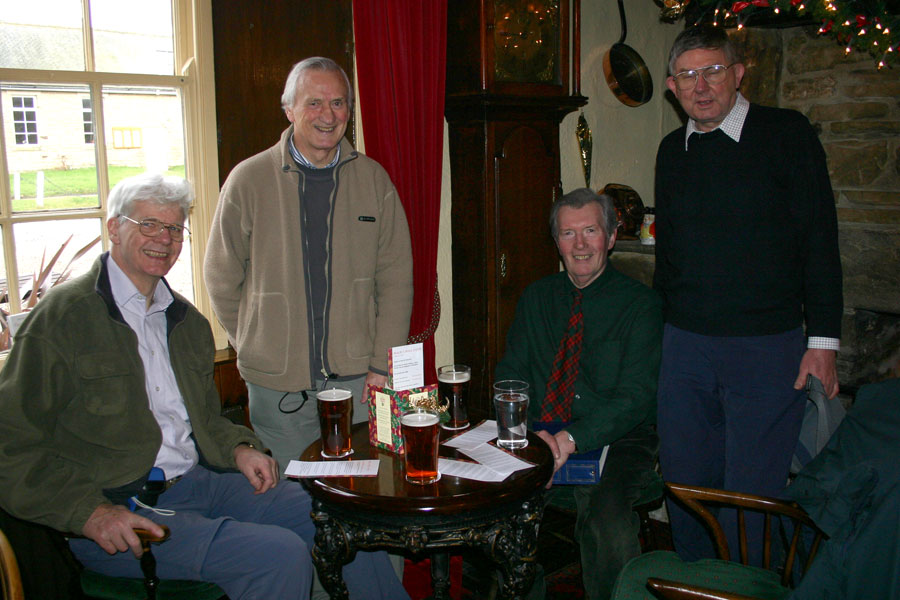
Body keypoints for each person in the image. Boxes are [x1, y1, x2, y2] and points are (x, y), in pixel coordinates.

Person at [0, 173, 409, 600]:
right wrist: (89, 512)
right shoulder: (62, 320)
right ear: (114, 228)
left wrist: (238, 447)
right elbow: (10, 446)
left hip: (198, 481)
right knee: (278, 555)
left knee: (341, 519)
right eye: (149, 224)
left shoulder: (185, 321)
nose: (164, 238)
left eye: (175, 228)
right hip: (120, 510)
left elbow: (204, 421)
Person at [654, 25, 843, 562]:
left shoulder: (787, 134)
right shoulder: (672, 151)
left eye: (713, 70)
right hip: (686, 348)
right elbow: (668, 261)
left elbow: (820, 241)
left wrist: (823, 343)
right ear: (672, 86)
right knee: (686, 481)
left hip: (767, 347)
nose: (702, 85)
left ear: (738, 74)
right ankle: (696, 585)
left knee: (750, 493)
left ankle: (745, 589)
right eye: (688, 75)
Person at [204, 57, 413, 473]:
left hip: (359, 381)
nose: (327, 115)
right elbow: (221, 276)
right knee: (294, 500)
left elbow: (396, 280)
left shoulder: (374, 182)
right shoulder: (248, 180)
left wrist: (380, 365)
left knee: (367, 491)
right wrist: (255, 343)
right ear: (289, 110)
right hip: (277, 389)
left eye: (338, 103)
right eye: (314, 103)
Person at [496, 188, 663, 600]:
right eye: (569, 234)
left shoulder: (641, 305)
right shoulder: (536, 298)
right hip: (540, 433)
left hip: (621, 436)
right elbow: (511, 375)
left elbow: (636, 397)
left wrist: (571, 439)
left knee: (606, 519)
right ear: (557, 243)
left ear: (610, 237)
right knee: (499, 508)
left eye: (591, 230)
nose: (581, 244)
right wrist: (525, 434)